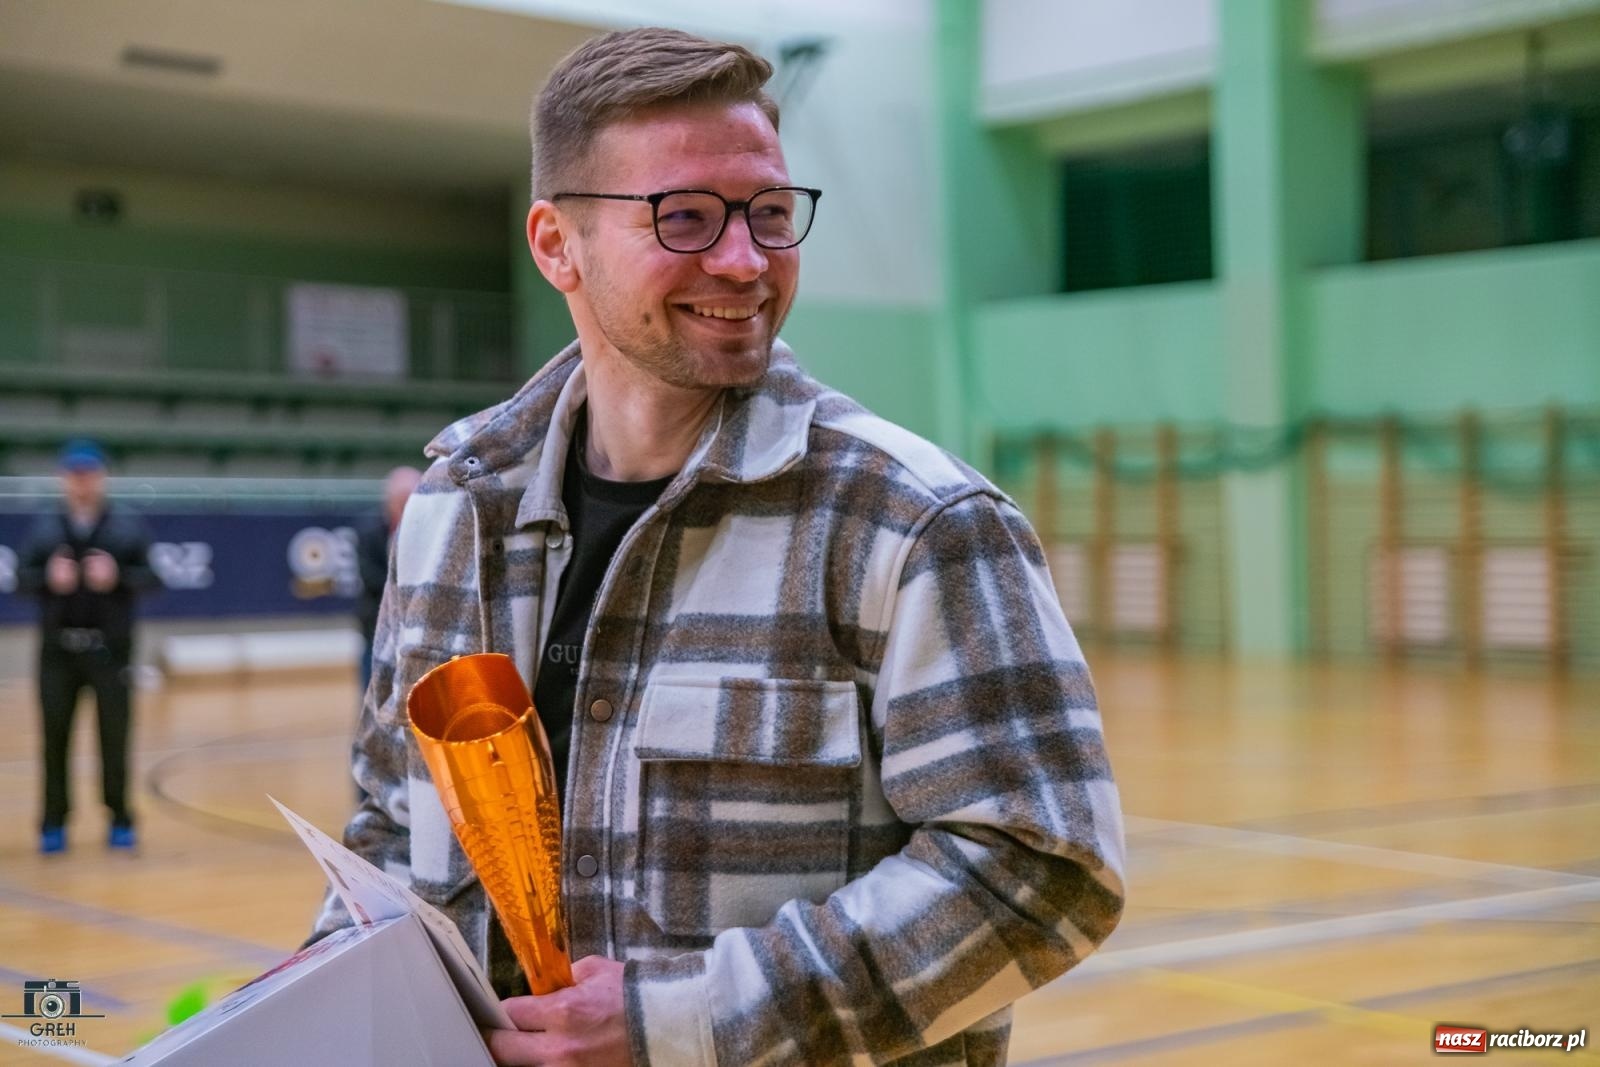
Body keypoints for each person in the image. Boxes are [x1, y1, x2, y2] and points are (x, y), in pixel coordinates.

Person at [309, 27, 1124, 1066]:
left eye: (771, 215)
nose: (744, 261)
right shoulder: (454, 509)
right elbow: (392, 820)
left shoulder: (915, 522)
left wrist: (676, 1025)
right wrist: (329, 988)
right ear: (557, 244)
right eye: (684, 218)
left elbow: (1044, 870)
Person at [17, 439, 154, 853]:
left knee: (114, 737)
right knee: (54, 736)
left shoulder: (126, 528)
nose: (82, 482)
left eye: (89, 473)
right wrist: (47, 579)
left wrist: (118, 578)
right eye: (74, 474)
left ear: (102, 477)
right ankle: (53, 822)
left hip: (110, 651)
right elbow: (22, 579)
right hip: (57, 651)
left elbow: (153, 578)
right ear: (62, 479)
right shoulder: (44, 529)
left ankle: (119, 816)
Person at [354, 466, 422, 698]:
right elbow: (370, 576)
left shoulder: (426, 528)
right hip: (377, 627)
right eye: (401, 500)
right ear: (389, 501)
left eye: (410, 499)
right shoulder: (368, 531)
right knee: (372, 693)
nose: (405, 505)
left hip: (414, 630)